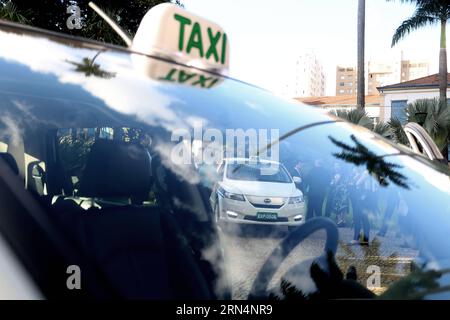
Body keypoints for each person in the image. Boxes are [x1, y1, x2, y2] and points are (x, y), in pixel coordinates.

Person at [349, 168, 371, 245]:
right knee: (364, 218)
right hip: (367, 197)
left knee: (357, 216)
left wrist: (357, 180)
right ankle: (365, 239)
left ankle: (356, 239)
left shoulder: (366, 172)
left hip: (364, 197)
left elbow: (358, 183)